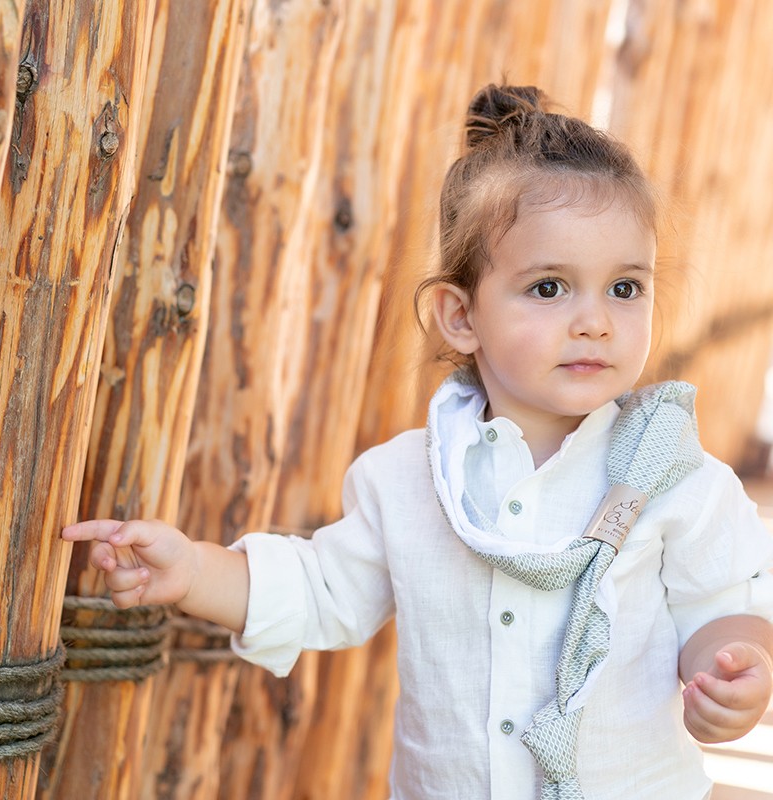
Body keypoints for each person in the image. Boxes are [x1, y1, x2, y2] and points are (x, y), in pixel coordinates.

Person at [62, 84, 773, 799]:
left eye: (625, 289)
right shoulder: (409, 479)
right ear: (459, 316)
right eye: (551, 288)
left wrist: (731, 668)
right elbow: (322, 589)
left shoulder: (673, 478)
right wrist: (191, 571)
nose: (596, 321)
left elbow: (724, 604)